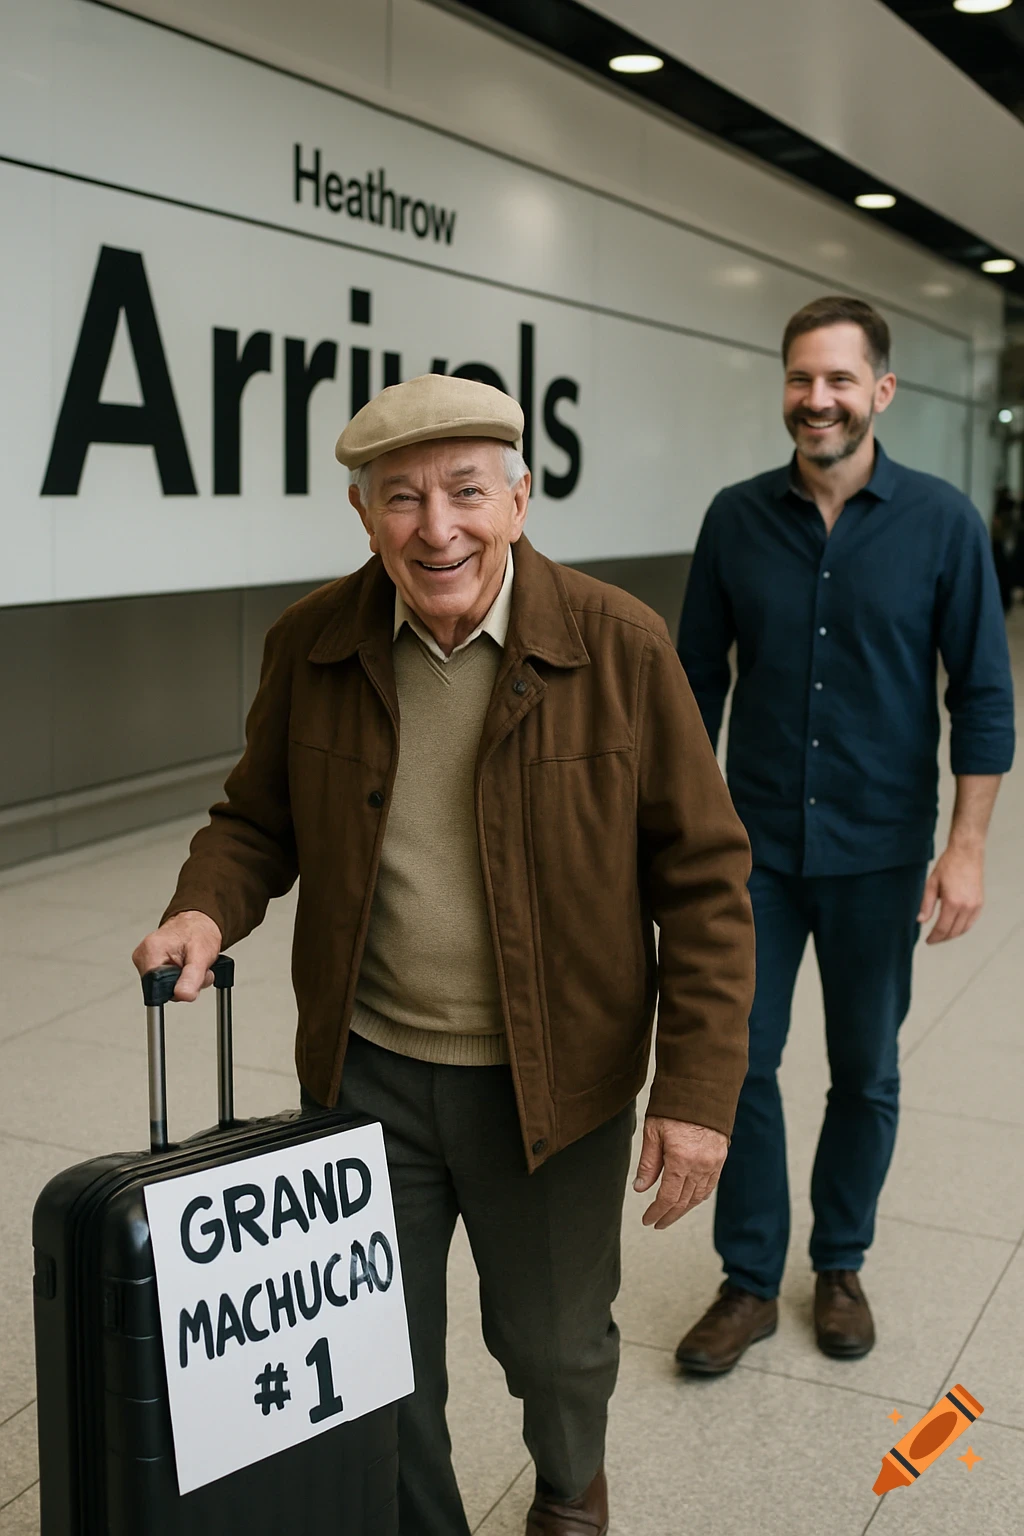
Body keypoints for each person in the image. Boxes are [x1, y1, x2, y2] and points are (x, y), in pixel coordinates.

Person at [133, 375, 756, 1536]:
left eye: (467, 492)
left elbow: (706, 882)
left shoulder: (618, 647)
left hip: (555, 1081)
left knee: (555, 1347)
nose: (437, 528)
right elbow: (254, 821)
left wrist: (695, 1093)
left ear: (519, 499)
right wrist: (204, 911)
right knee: (379, 1362)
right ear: (362, 518)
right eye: (402, 500)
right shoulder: (312, 640)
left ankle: (570, 1499)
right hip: (367, 1070)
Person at [674, 296, 1015, 1375]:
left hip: (879, 852)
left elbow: (985, 695)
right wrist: (676, 842)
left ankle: (839, 1262)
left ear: (880, 391)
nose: (815, 399)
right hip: (754, 852)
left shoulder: (943, 522)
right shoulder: (734, 518)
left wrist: (963, 848)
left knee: (865, 1070)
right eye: (798, 379)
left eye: (836, 380)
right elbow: (690, 691)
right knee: (740, 1065)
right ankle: (745, 1280)